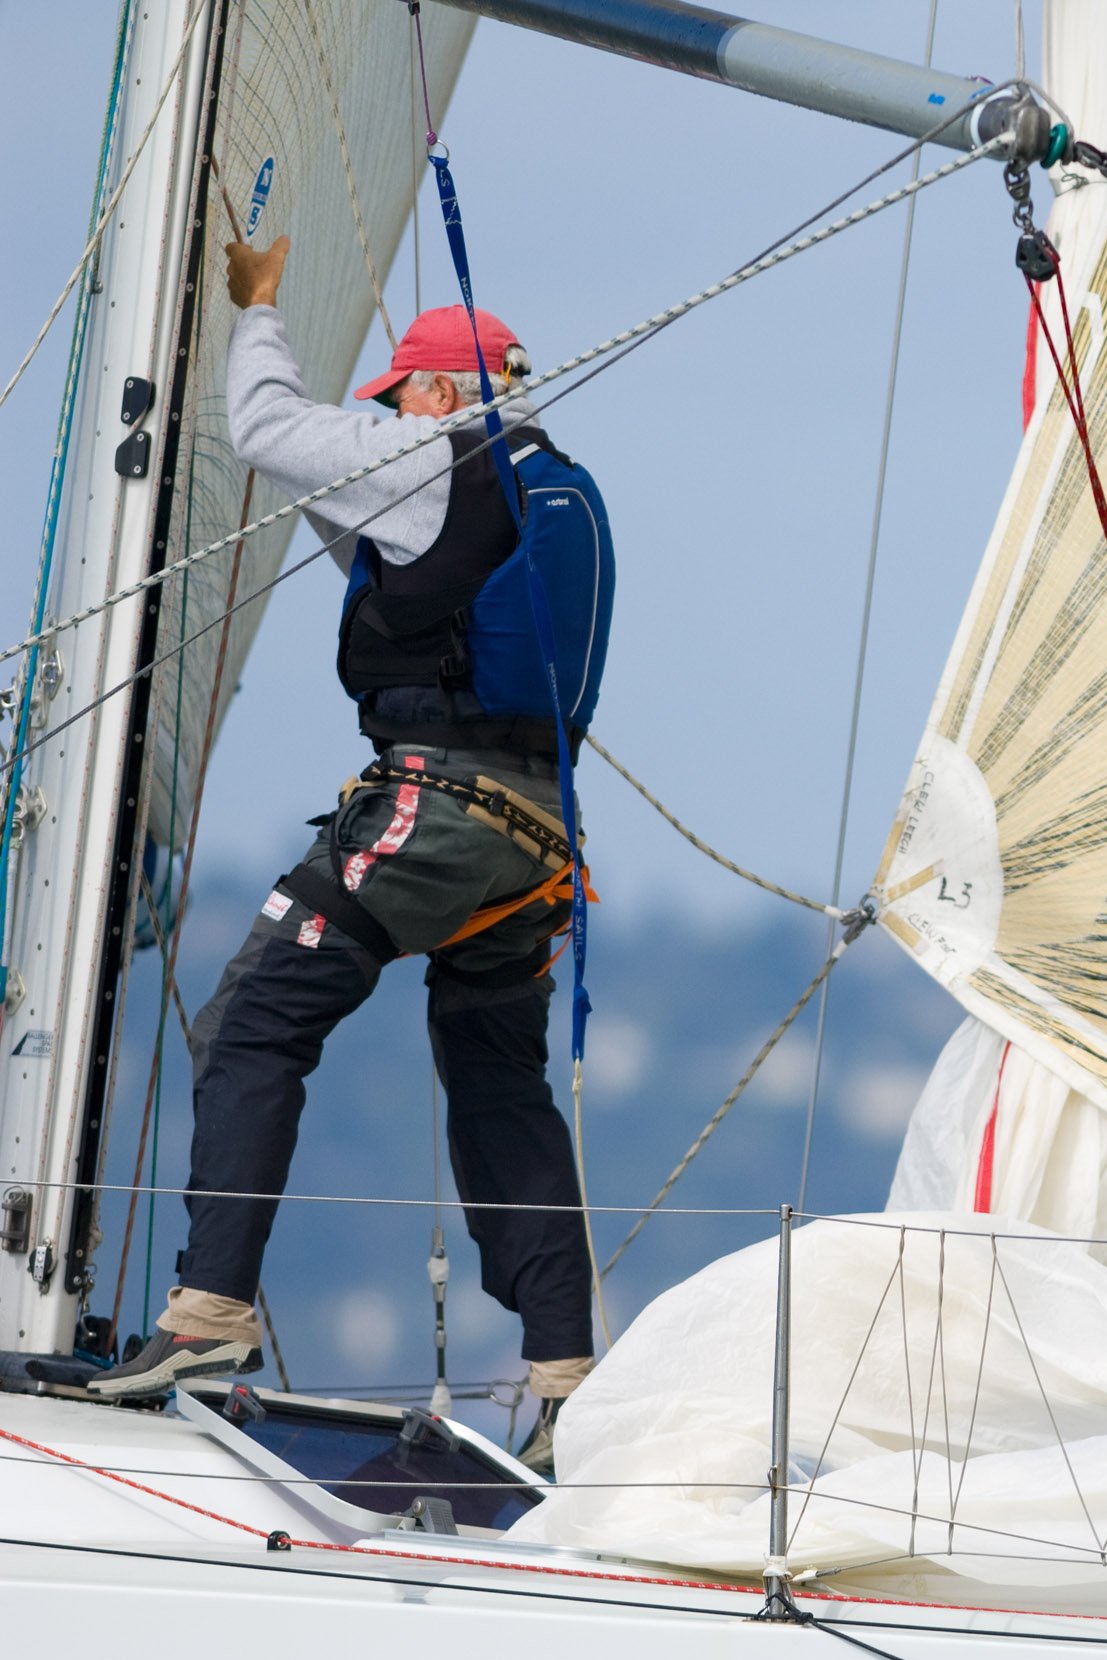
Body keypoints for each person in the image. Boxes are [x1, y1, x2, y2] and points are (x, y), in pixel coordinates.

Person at [93, 235, 617, 1478]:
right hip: (542, 838)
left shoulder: (432, 450)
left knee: (252, 1019)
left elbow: (268, 424)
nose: (385, 416)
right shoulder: (562, 488)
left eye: (395, 397)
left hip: (438, 810)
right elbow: (415, 581)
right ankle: (567, 1377)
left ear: (434, 392)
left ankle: (205, 1320)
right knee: (500, 1089)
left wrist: (261, 306)